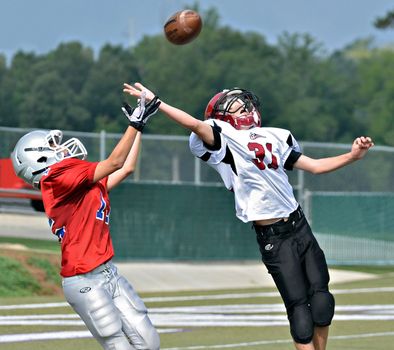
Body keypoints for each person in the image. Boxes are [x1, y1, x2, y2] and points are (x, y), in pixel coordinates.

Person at [123, 82, 374, 350]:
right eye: (236, 104)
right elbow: (194, 124)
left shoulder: (277, 136)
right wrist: (156, 102)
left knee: (322, 302)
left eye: (244, 103)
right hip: (273, 237)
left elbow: (314, 166)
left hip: (299, 224)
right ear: (222, 116)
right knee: (299, 310)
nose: (245, 106)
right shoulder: (223, 136)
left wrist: (353, 156)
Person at [11, 91, 162, 350]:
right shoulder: (56, 178)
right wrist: (133, 124)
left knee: (149, 343)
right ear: (38, 158)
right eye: (51, 146)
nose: (59, 148)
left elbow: (125, 168)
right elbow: (115, 162)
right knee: (118, 345)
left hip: (107, 272)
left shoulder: (75, 184)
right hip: (84, 280)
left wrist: (139, 128)